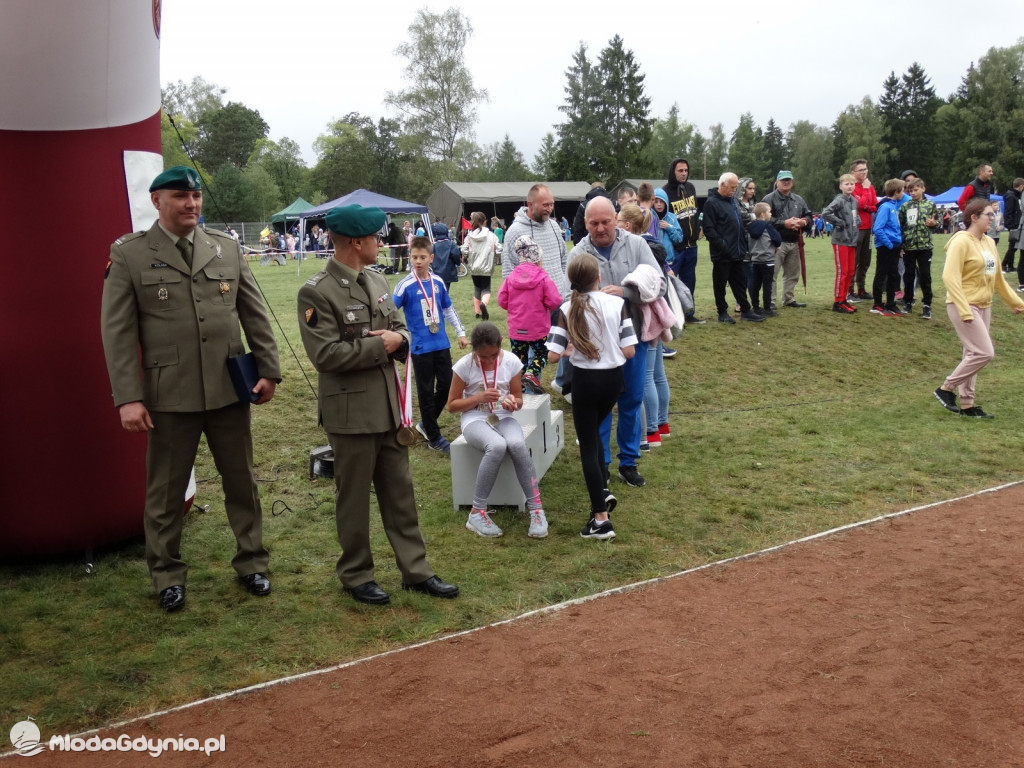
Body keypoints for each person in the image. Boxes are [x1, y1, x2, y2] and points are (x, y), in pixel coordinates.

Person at [100, 166, 281, 613]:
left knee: (242, 481)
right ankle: (166, 575)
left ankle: (253, 562)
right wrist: (127, 396)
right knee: (165, 491)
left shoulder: (225, 247)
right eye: (181, 196)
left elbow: (254, 312)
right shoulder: (130, 254)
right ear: (157, 200)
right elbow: (118, 332)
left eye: (197, 196)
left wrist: (269, 369)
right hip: (169, 395)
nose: (192, 204)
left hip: (228, 389)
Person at [296, 204, 458, 606]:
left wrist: (399, 340)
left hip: (389, 407)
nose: (381, 243)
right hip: (350, 413)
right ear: (356, 242)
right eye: (375, 238)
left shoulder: (376, 279)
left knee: (400, 492)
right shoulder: (317, 291)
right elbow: (326, 355)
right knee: (352, 498)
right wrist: (379, 345)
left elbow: (400, 327)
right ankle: (356, 574)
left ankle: (416, 570)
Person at [567, 196, 664, 488]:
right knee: (600, 408)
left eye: (605, 222)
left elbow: (660, 284)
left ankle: (629, 462)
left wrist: (626, 292)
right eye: (593, 223)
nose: (600, 228)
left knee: (632, 399)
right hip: (596, 348)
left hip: (632, 338)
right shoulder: (578, 253)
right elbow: (566, 298)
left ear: (617, 218)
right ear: (585, 224)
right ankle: (602, 464)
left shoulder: (636, 245)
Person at [546, 253, 637, 540]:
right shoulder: (618, 303)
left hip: (585, 381)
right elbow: (630, 351)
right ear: (598, 278)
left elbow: (551, 356)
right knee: (597, 435)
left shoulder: (566, 307)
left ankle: (600, 519)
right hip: (613, 381)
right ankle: (603, 492)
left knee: (587, 444)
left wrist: (572, 350)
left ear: (572, 280)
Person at [447, 322, 548, 539]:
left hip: (503, 416)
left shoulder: (511, 361)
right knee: (497, 445)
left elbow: (518, 400)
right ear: (473, 349)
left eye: (493, 355)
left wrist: (513, 403)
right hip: (474, 418)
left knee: (518, 445)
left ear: (500, 344)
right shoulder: (464, 366)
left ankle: (537, 511)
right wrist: (477, 398)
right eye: (482, 357)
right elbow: (452, 405)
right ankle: (476, 512)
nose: (488, 361)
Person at [933, 199, 1024, 419]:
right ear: (974, 217)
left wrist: (1017, 302)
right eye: (989, 215)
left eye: (994, 215)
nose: (993, 219)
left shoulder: (989, 243)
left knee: (972, 353)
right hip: (962, 304)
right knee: (984, 352)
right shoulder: (960, 241)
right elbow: (950, 276)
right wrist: (964, 309)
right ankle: (945, 388)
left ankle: (967, 405)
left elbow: (998, 279)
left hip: (984, 305)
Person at [392, 235, 468, 454]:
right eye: (414, 257)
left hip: (441, 344)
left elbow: (447, 309)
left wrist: (461, 332)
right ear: (409, 257)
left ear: (431, 258)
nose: (418, 261)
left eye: (422, 257)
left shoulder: (438, 282)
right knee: (425, 392)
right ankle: (434, 436)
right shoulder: (405, 285)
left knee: (446, 386)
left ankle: (426, 424)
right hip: (420, 348)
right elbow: (389, 311)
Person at [617, 203, 672, 449]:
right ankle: (661, 424)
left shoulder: (638, 249)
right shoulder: (655, 246)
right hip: (658, 319)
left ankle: (649, 433)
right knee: (658, 375)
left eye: (617, 221)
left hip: (646, 320)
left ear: (627, 226)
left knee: (644, 379)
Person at [498, 235, 562, 394]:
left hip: (516, 329)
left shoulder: (511, 277)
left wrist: (514, 307)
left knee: (519, 359)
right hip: (537, 329)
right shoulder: (543, 278)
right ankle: (532, 374)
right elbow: (555, 301)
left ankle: (519, 390)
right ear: (538, 258)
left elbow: (501, 300)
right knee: (543, 354)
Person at [704, 172, 764, 324]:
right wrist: (722, 245)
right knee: (720, 284)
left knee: (740, 282)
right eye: (732, 187)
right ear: (722, 185)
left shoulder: (733, 202)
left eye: (736, 187)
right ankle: (722, 312)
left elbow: (739, 224)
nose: (734, 190)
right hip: (722, 253)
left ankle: (745, 310)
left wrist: (742, 245)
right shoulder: (711, 203)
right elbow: (709, 229)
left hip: (737, 251)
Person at [762, 171, 812, 309]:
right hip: (775, 243)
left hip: (794, 241)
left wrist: (804, 222)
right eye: (783, 180)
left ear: (792, 182)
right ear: (777, 182)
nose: (786, 182)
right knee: (772, 274)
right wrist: (784, 223)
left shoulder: (799, 199)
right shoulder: (768, 199)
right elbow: (763, 218)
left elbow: (808, 214)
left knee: (792, 274)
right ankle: (770, 301)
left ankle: (789, 299)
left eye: (788, 180)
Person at [898, 177, 939, 319]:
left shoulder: (930, 205)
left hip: (925, 246)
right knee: (908, 275)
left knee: (925, 275)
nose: (913, 193)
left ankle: (927, 305)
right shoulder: (906, 206)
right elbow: (901, 226)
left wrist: (934, 224)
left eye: (916, 190)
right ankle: (908, 301)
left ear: (923, 189)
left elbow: (937, 223)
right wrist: (901, 245)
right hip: (909, 247)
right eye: (910, 191)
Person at [661, 159, 701, 301]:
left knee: (689, 282)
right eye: (680, 171)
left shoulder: (690, 187)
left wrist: (698, 229)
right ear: (673, 171)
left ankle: (688, 313)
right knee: (670, 282)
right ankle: (670, 315)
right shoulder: (665, 191)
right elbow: (663, 217)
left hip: (692, 246)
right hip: (675, 248)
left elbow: (695, 211)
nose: (684, 173)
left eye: (686, 170)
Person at [821, 173, 860, 314]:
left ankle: (844, 299)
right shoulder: (839, 200)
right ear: (841, 186)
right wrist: (840, 222)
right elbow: (826, 213)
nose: (850, 186)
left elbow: (856, 216)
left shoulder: (854, 201)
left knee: (850, 271)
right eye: (847, 184)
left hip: (852, 240)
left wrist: (857, 223)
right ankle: (838, 301)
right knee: (842, 271)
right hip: (841, 240)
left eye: (852, 184)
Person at [869, 179, 906, 317]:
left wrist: (898, 244)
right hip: (886, 246)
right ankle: (877, 304)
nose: (903, 193)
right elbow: (878, 228)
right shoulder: (885, 207)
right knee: (881, 274)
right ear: (896, 192)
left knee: (893, 275)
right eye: (902, 190)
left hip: (895, 245)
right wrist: (889, 244)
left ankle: (890, 303)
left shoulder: (894, 206)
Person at [461, 211, 499, 320]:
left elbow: (464, 249)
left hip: (473, 267)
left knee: (477, 288)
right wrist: (494, 252)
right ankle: (483, 304)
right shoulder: (491, 236)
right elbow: (499, 248)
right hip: (486, 267)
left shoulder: (469, 236)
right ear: (485, 221)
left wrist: (468, 256)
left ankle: (477, 312)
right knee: (486, 289)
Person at [747, 202, 781, 317]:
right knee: (767, 285)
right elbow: (777, 240)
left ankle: (756, 307)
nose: (771, 214)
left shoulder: (750, 226)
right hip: (768, 260)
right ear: (763, 214)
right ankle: (767, 308)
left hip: (755, 260)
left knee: (755, 285)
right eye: (769, 211)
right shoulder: (768, 226)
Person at [850, 159, 877, 301]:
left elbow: (874, 205)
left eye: (865, 169)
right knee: (853, 261)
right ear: (853, 172)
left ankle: (861, 288)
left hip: (869, 228)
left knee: (865, 260)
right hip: (857, 228)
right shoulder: (852, 186)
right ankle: (850, 290)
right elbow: (858, 204)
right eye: (861, 170)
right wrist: (866, 191)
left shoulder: (870, 186)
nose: (864, 172)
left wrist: (866, 206)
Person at [430, 221, 460, 291]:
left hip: (437, 271)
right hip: (448, 271)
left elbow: (431, 257)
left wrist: (434, 265)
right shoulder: (451, 244)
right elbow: (456, 255)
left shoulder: (435, 245)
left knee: (438, 290)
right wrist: (458, 263)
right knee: (446, 290)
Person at [1002, 178, 1023, 273]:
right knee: (1013, 247)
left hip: (1016, 224)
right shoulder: (1011, 196)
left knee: (1014, 246)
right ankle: (1003, 264)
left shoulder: (1015, 196)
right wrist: (1010, 226)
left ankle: (1010, 265)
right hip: (1014, 225)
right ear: (1021, 186)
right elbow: (1008, 212)